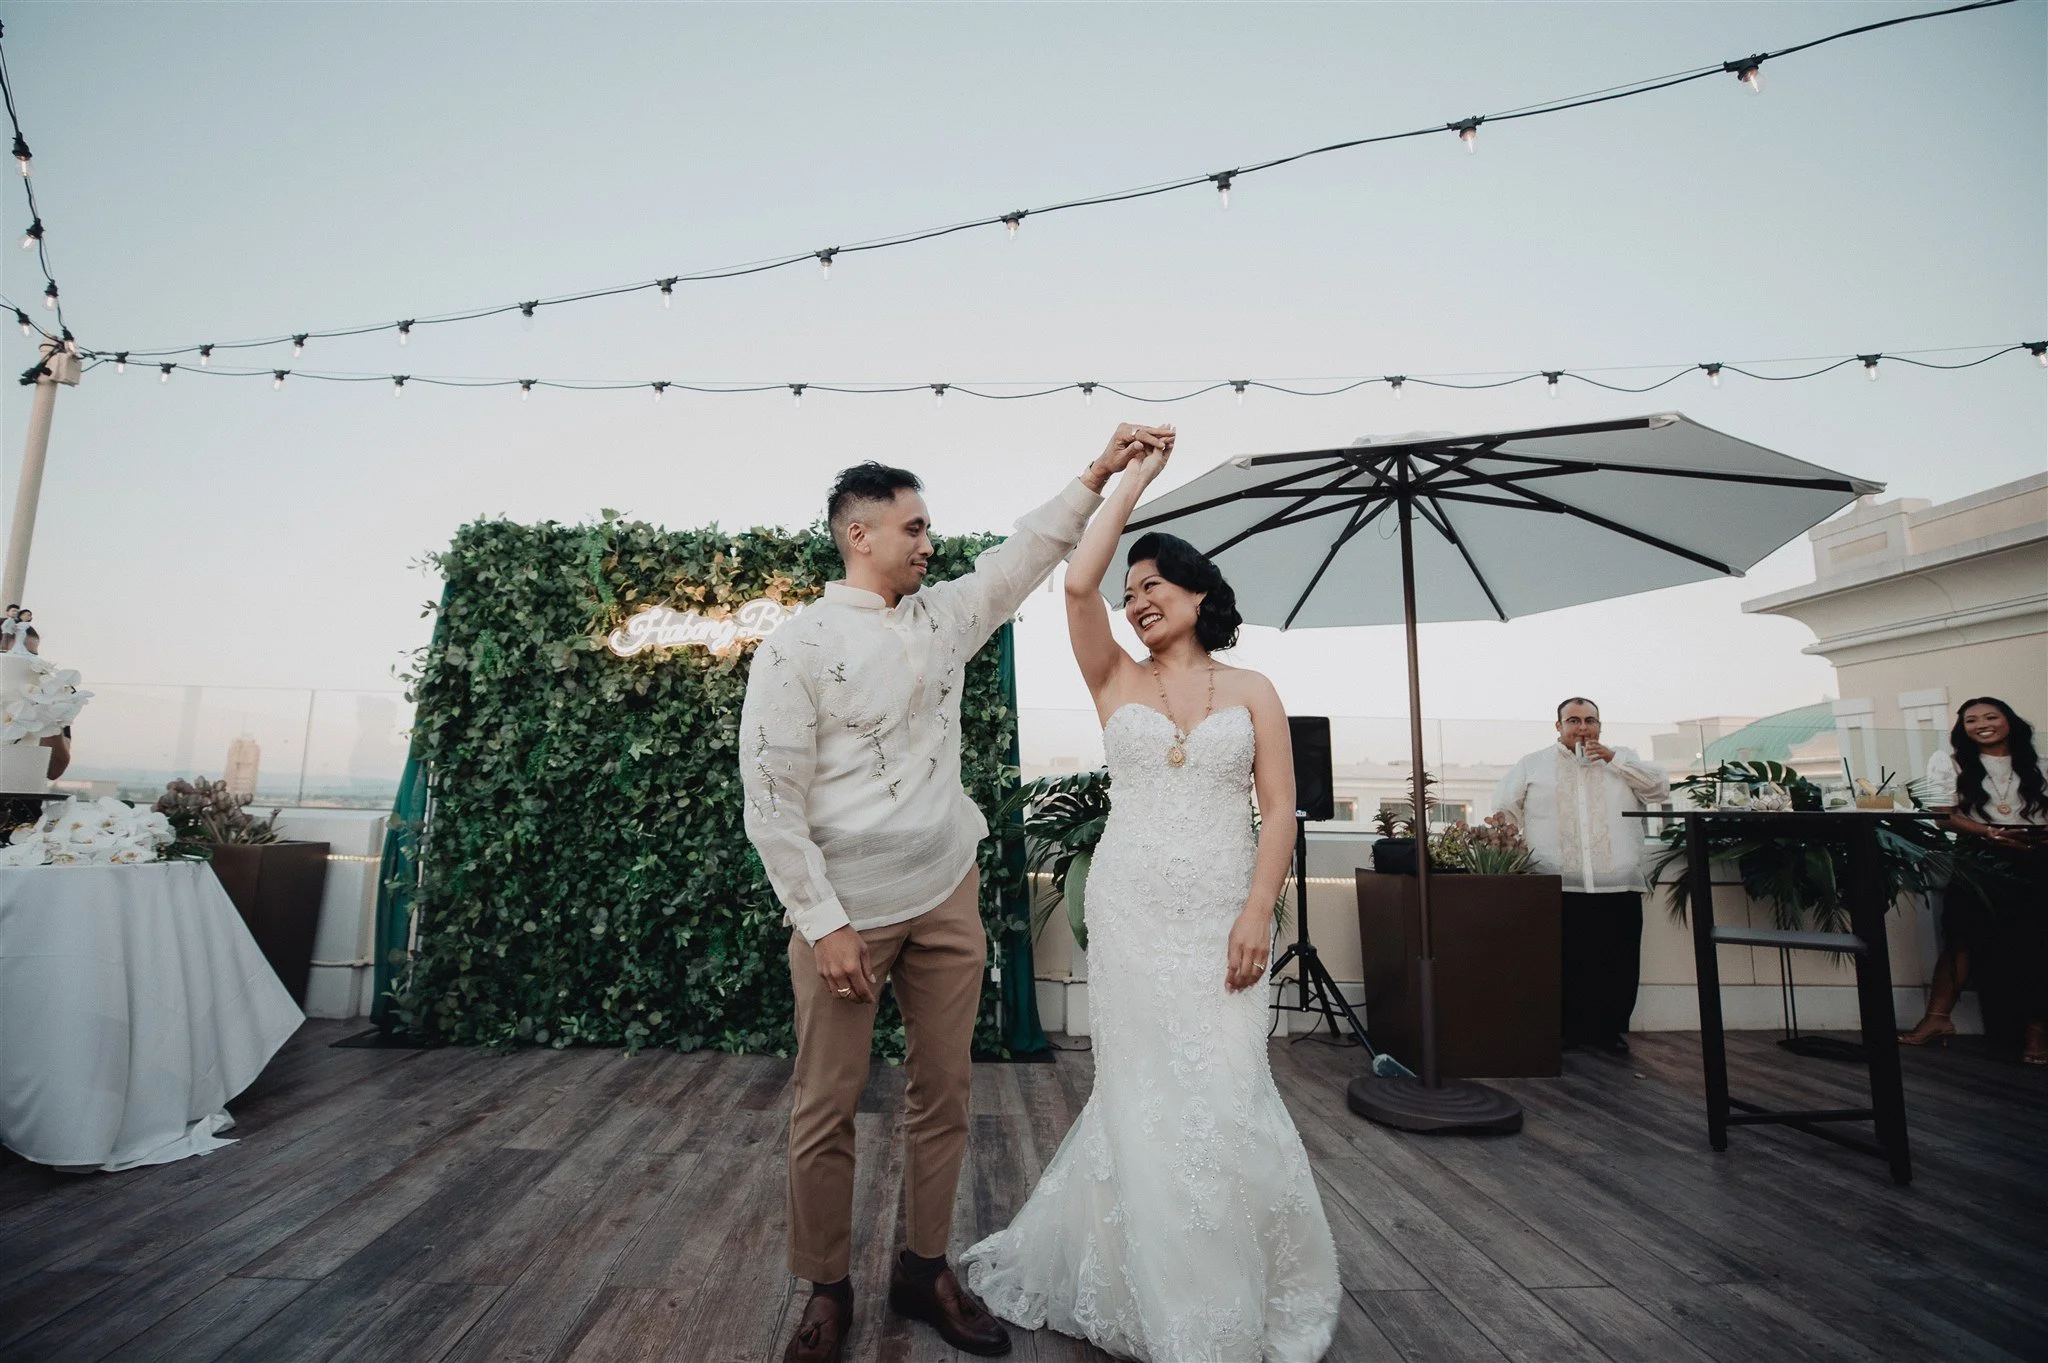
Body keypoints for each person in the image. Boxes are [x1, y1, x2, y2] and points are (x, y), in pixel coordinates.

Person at [740, 423, 1173, 1363]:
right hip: (845, 911)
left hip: (946, 890)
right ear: (859, 533)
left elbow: (1027, 553)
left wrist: (1099, 472)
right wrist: (822, 922)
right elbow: (770, 801)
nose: (929, 543)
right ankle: (825, 1287)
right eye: (914, 527)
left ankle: (923, 1266)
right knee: (825, 1104)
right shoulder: (795, 648)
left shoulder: (944, 618)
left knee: (945, 1092)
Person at [958, 437, 1341, 1362]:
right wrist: (1132, 484)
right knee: (1141, 1093)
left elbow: (1279, 811)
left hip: (1220, 918)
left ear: (1200, 594)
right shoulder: (1114, 676)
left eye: (1154, 585)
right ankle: (1161, 1295)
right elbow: (1075, 586)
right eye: (1131, 591)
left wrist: (1256, 912)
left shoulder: (1253, 689)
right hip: (1130, 913)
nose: (1135, 602)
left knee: (1228, 1090)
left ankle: (1233, 1284)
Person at [1493, 698, 1669, 1056]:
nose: (1583, 727)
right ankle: (1564, 1031)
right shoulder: (1533, 764)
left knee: (1617, 962)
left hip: (1617, 881)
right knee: (1564, 961)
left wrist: (1613, 759)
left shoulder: (1623, 759)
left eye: (1590, 720)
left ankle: (1610, 1032)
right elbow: (1504, 809)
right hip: (1557, 882)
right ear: (1558, 726)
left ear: (1600, 726)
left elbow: (1659, 790)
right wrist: (1512, 852)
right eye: (1573, 720)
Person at [1900, 697, 2048, 1064]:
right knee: (1961, 937)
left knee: (2037, 943)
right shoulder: (1950, 763)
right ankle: (1937, 1019)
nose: (1982, 724)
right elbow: (1942, 816)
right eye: (1971, 720)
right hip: (1978, 856)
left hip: (2037, 856)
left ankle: (2037, 1033)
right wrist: (1988, 833)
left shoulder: (2040, 764)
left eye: (1991, 717)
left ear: (2009, 721)